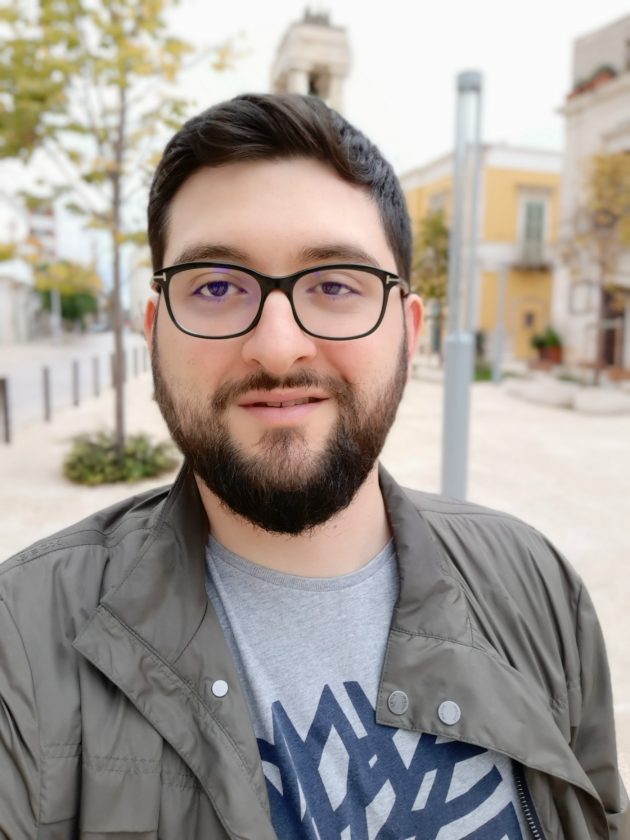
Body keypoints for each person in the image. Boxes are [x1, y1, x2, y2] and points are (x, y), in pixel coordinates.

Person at [0, 93, 627, 840]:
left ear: (408, 331)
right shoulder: (21, 646)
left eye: (334, 285)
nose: (276, 347)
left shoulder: (536, 583)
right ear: (155, 331)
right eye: (216, 286)